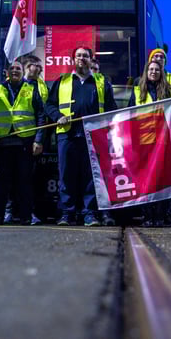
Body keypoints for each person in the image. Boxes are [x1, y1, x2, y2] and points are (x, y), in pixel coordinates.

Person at [45, 46, 118, 227]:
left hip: (92, 136)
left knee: (90, 177)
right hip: (67, 136)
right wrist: (58, 117)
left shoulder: (101, 82)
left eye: (85, 56)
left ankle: (89, 214)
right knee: (66, 176)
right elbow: (49, 105)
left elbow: (111, 108)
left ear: (91, 59)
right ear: (73, 59)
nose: (81, 58)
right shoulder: (62, 81)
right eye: (78, 55)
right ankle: (66, 214)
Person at [0, 59, 45, 225]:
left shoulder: (31, 89)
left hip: (25, 143)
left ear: (23, 71)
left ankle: (25, 216)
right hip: (2, 142)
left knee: (24, 181)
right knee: (2, 181)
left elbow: (41, 115)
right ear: (7, 71)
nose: (15, 71)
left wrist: (38, 140)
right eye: (12, 68)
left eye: (18, 68)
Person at [128, 60, 171, 227]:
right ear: (146, 71)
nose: (153, 72)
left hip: (163, 141)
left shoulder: (168, 90)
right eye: (151, 69)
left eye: (157, 69)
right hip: (143, 142)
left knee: (163, 179)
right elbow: (129, 114)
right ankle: (148, 216)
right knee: (146, 179)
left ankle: (162, 216)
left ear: (161, 72)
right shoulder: (137, 91)